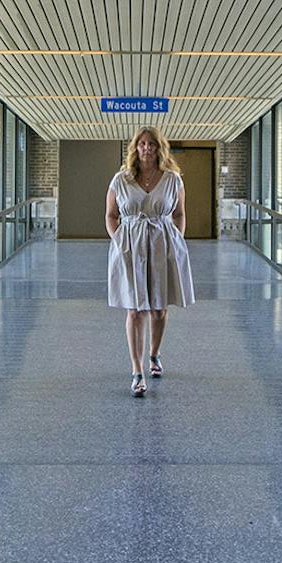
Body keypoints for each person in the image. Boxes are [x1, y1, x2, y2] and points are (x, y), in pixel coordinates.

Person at [105, 126, 195, 397]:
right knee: (134, 309)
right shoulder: (120, 180)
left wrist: (175, 239)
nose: (146, 148)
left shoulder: (172, 179)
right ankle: (136, 370)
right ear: (135, 147)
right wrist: (119, 240)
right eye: (142, 143)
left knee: (158, 308)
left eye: (151, 144)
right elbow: (111, 215)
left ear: (159, 148)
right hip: (130, 247)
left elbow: (179, 213)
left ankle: (154, 354)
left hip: (162, 244)